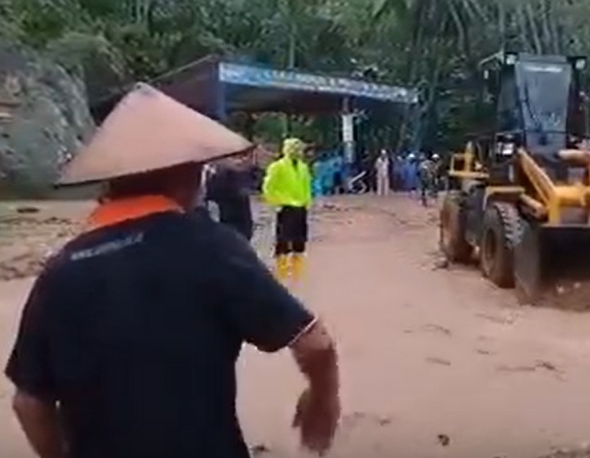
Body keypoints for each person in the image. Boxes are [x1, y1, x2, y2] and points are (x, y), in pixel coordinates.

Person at [5, 83, 340, 458]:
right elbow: (315, 343)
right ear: (188, 176)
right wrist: (322, 398)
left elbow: (28, 403)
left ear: (112, 182)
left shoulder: (61, 270)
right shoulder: (211, 248)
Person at [263, 138, 313, 284]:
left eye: (299, 149)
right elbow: (268, 187)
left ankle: (298, 273)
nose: (297, 151)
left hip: (300, 207)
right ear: (286, 149)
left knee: (300, 239)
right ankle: (282, 271)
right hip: (285, 206)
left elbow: (307, 185)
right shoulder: (277, 167)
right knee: (284, 239)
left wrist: (307, 201)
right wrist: (276, 202)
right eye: (293, 148)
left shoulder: (303, 167)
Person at [206, 152, 256, 241]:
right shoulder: (230, 172)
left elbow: (210, 193)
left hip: (232, 219)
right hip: (233, 220)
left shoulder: (227, 173)